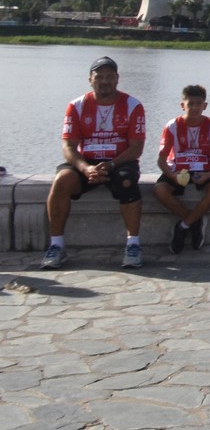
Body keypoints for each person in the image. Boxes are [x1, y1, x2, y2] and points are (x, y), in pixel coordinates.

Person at [43, 56, 147, 270]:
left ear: (117, 79)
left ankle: (133, 245)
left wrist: (110, 165)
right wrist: (85, 168)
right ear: (90, 79)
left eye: (110, 76)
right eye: (99, 77)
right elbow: (68, 146)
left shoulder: (133, 105)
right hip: (87, 161)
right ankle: (56, 246)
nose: (105, 81)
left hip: (118, 162)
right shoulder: (76, 106)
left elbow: (136, 147)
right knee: (62, 180)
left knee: (127, 181)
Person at [153, 84, 210, 254]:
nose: (194, 108)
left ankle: (183, 225)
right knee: (159, 190)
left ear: (205, 106)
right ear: (182, 105)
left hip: (204, 168)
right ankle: (195, 222)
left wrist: (208, 175)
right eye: (190, 103)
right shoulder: (172, 126)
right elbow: (162, 160)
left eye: (198, 104)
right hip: (178, 169)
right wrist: (173, 177)